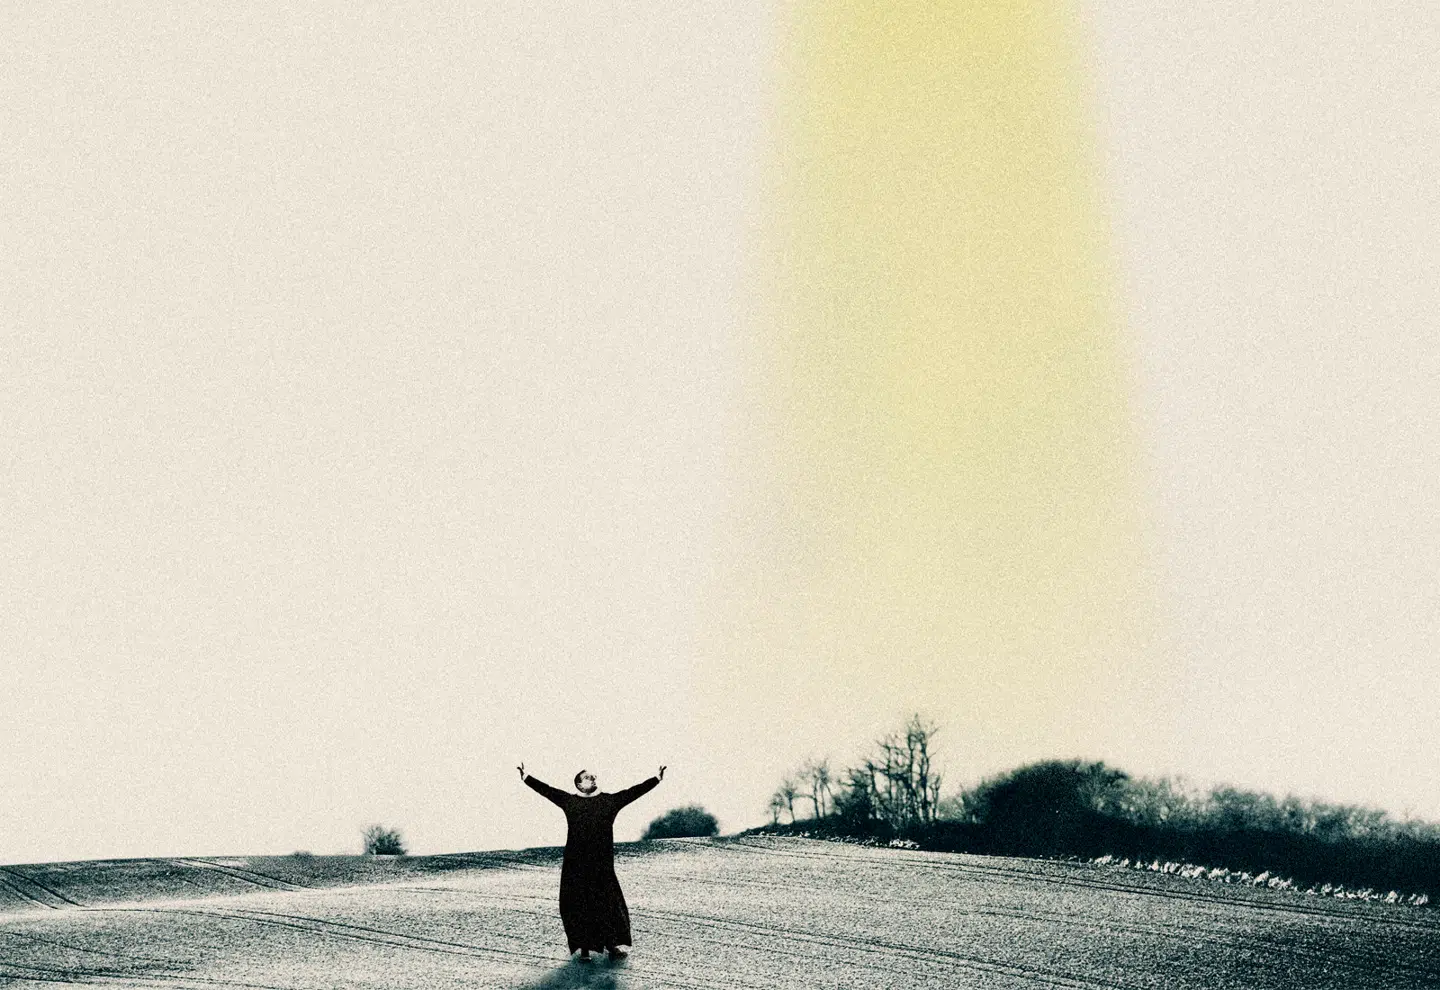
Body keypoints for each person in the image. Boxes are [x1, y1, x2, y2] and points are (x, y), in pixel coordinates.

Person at [518, 761, 666, 961]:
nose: (593, 778)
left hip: (602, 865)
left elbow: (633, 792)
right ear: (579, 784)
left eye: (594, 776)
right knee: (579, 904)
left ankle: (612, 945)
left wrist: (656, 779)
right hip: (575, 864)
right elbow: (547, 790)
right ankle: (584, 949)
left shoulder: (608, 802)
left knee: (608, 903)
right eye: (588, 777)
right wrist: (526, 777)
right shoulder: (570, 802)